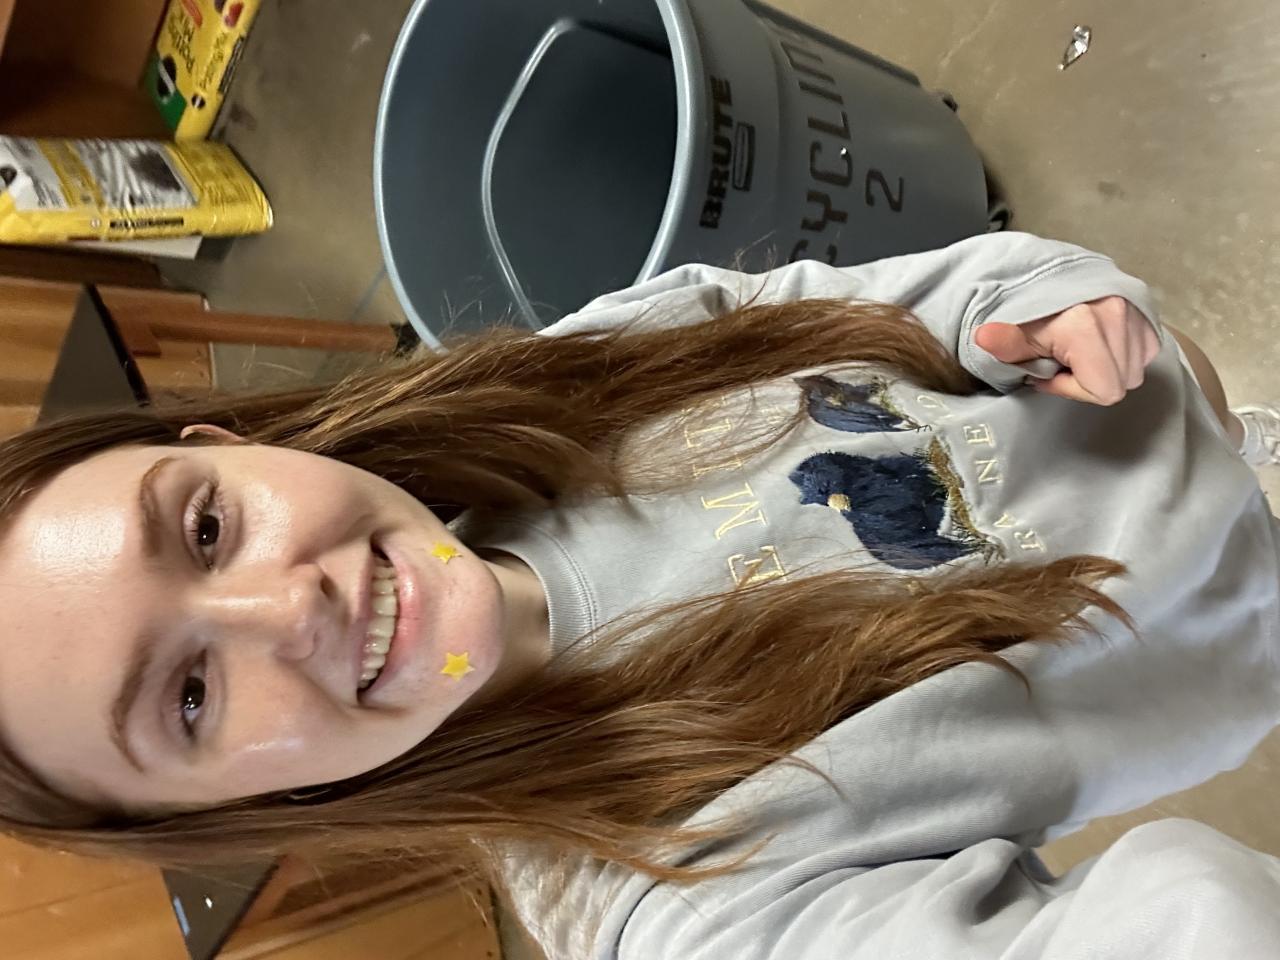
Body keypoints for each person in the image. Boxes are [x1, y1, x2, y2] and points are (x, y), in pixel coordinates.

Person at [0, 231, 1277, 959]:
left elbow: (803, 309)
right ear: (227, 810)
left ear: (227, 448)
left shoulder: (537, 391)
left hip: (1206, 414)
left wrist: (1006, 301)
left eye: (207, 528)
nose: (292, 612)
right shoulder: (660, 899)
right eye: (190, 696)